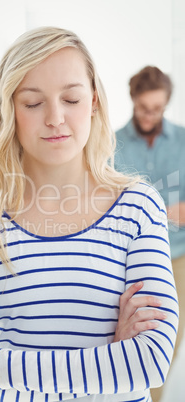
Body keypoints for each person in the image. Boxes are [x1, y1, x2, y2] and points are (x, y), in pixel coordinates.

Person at [0, 28, 178, 402]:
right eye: (33, 103)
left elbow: (150, 363)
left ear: (94, 102)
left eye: (71, 98)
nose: (55, 118)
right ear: (9, 110)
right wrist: (109, 360)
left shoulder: (138, 207)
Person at [115, 65, 185, 402]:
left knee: (165, 343)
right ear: (133, 101)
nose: (149, 115)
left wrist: (163, 214)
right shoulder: (110, 143)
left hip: (178, 258)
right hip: (124, 261)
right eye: (143, 108)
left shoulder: (184, 140)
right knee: (130, 338)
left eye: (156, 109)